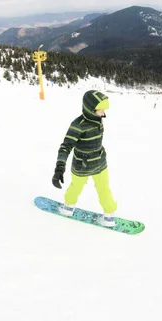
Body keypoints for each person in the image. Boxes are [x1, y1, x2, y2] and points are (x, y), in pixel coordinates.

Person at [52, 90, 117, 227]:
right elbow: (66, 146)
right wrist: (60, 167)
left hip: (99, 163)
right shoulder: (78, 125)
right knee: (77, 187)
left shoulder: (97, 119)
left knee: (103, 189)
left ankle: (108, 216)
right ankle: (69, 208)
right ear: (91, 109)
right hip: (83, 165)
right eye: (101, 110)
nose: (104, 113)